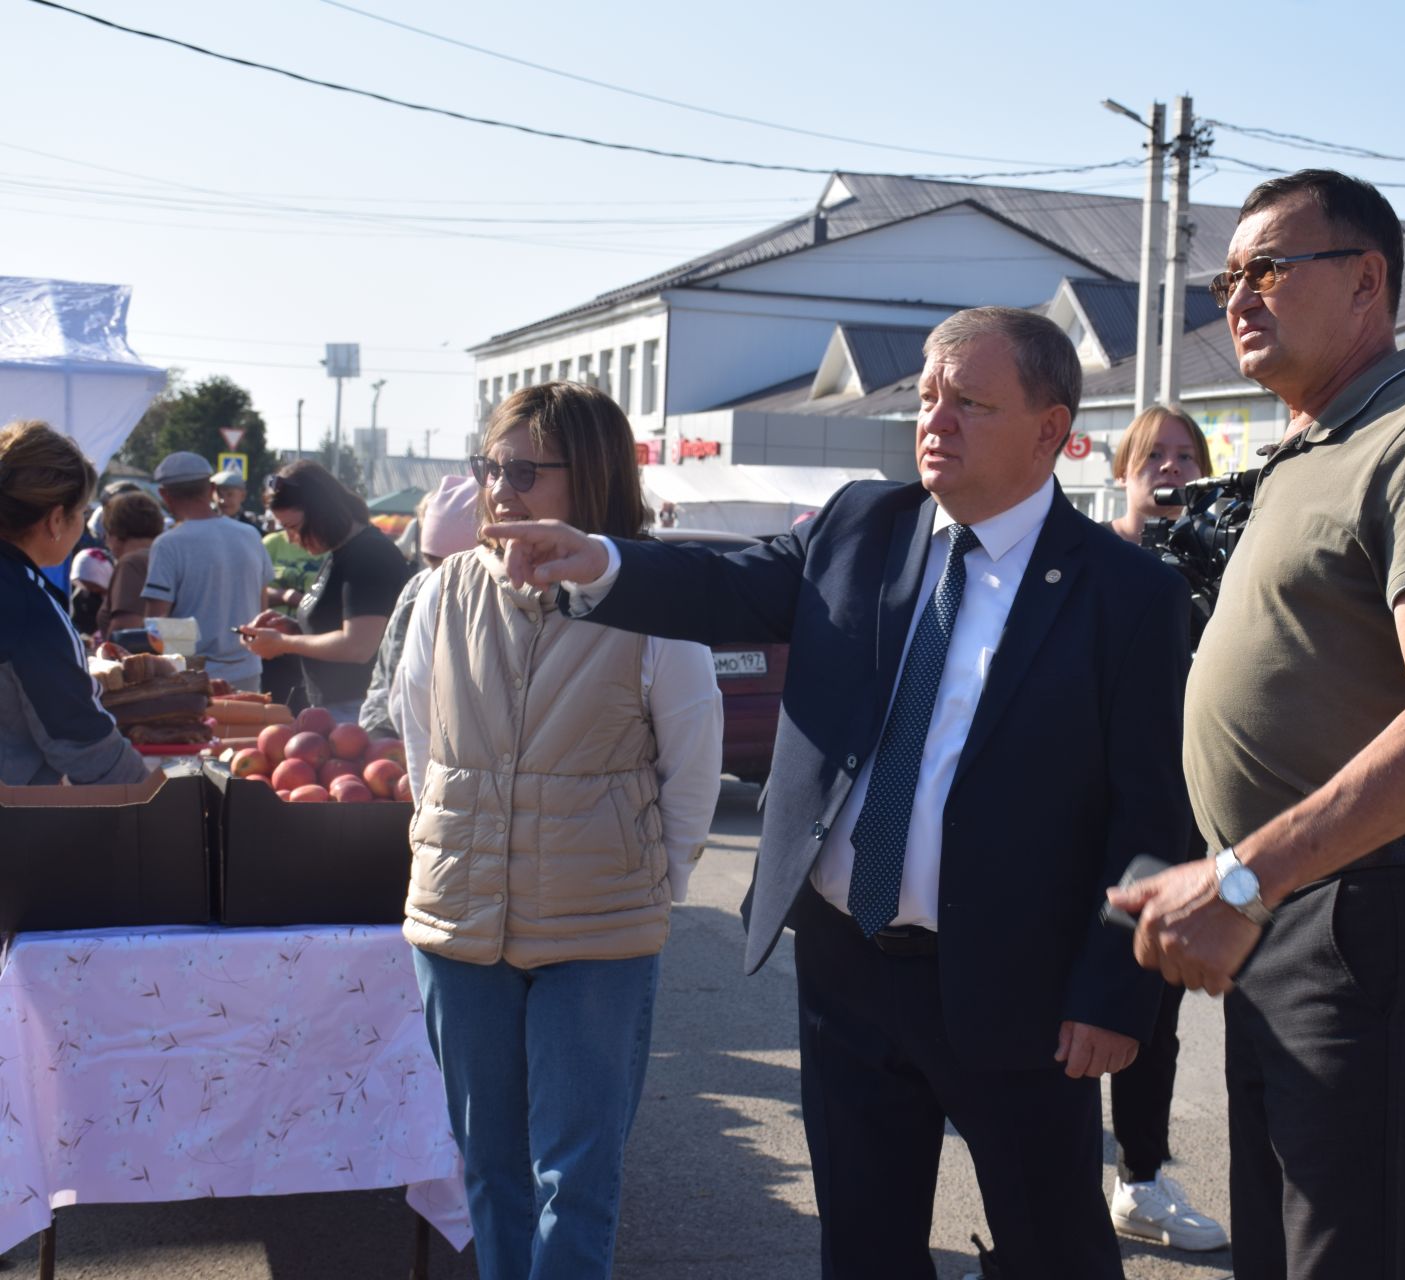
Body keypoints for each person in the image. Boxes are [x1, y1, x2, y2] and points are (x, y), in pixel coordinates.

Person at [484, 308, 1193, 1279]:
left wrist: (1119, 994)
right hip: (847, 969)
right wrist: (602, 560)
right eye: (930, 397)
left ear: (1049, 429)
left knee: (1052, 1246)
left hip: (1018, 987)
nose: (935, 420)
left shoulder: (1128, 593)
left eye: (971, 402)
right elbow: (727, 583)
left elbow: (1151, 811)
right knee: (863, 1245)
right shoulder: (865, 524)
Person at [1108, 170, 1405, 1280]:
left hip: (1345, 914)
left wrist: (1259, 883)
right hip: (1327, 915)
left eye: (1267, 266)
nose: (1237, 295)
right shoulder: (1311, 449)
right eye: (1228, 276)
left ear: (1368, 281)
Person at [391, 382, 722, 1280]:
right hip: (460, 924)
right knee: (488, 1169)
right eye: (491, 466)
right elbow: (422, 743)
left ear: (594, 477)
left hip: (599, 928)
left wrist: (654, 882)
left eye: (525, 470)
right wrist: (451, 842)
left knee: (574, 1179)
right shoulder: (444, 592)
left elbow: (692, 769)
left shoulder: (652, 600)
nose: (501, 488)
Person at [1098, 402, 1226, 1252]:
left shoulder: (1221, 568)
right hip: (1080, 820)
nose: (1171, 468)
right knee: (1058, 1008)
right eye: (1156, 454)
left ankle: (1139, 1179)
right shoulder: (1089, 557)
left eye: (1187, 455)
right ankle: (1046, 1202)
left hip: (1174, 823)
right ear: (1125, 467)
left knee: (1153, 1009)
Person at [0, 420, 149, 787]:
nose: (83, 523)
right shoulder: (29, 606)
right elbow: (79, 740)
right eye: (82, 510)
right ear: (55, 519)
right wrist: (152, 799)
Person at [240, 461, 411, 723]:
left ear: (322, 513)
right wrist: (295, 629)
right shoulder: (343, 552)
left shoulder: (368, 555)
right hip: (338, 706)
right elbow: (341, 629)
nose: (289, 539)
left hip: (357, 709)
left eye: (293, 527)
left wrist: (282, 643)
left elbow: (358, 646)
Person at [141, 452, 275, 689]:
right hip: (248, 670)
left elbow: (157, 624)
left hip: (191, 678)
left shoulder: (168, 544)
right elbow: (262, 607)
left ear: (164, 494)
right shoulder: (251, 535)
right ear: (211, 488)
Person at [361, 475, 479, 740]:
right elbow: (386, 677)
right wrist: (378, 736)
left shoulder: (505, 605)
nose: (439, 576)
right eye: (431, 561)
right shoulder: (418, 589)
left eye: (453, 565)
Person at [1108, 404, 1211, 542]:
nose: (1170, 465)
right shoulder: (1088, 545)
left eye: (1185, 456)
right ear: (1122, 470)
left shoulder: (1222, 555)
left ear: (1203, 475)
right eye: (1153, 454)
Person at [98, 489, 165, 638]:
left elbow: (125, 630)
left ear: (114, 532)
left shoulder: (131, 563)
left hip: (137, 660)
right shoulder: (166, 557)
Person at [68, 546, 113, 636]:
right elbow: (77, 621)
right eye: (84, 584)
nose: (89, 589)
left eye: (94, 585)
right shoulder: (81, 597)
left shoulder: (117, 597)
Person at [212, 467, 262, 533]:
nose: (223, 501)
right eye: (219, 495)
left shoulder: (254, 532)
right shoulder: (203, 527)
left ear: (242, 496)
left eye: (229, 494)